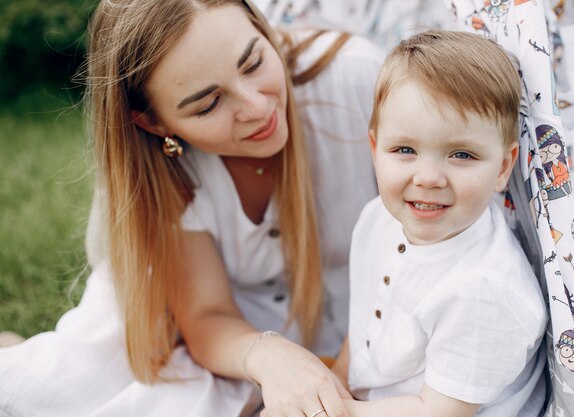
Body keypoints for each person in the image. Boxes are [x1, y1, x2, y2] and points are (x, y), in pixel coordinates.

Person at [0, 1, 384, 416]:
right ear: (154, 124)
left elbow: (423, 241)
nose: (256, 108)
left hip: (371, 319)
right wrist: (271, 358)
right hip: (210, 330)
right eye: (207, 105)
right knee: (59, 392)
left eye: (253, 63)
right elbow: (207, 314)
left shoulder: (357, 79)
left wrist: (343, 377)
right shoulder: (165, 171)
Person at [331, 31, 548, 417]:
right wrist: (335, 386)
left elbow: (439, 412)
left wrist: (332, 411)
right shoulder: (376, 219)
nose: (428, 177)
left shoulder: (483, 288)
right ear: (375, 149)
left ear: (502, 167)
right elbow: (362, 325)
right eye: (405, 150)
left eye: (461, 154)